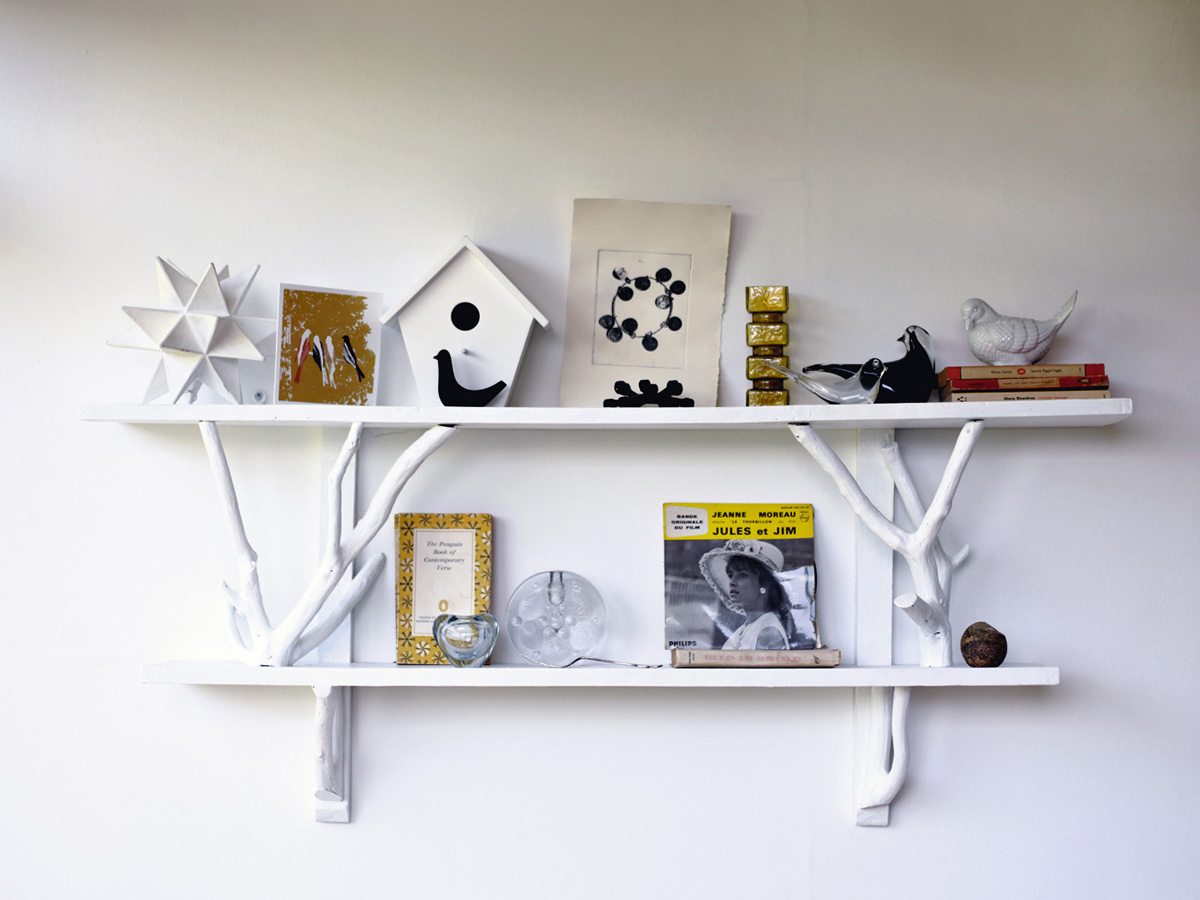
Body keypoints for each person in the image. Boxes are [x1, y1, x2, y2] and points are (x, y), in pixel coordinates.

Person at [698, 539, 817, 651]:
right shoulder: (745, 628)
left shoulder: (768, 633)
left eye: (742, 575)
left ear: (765, 585)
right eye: (730, 575)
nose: (732, 582)